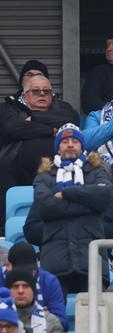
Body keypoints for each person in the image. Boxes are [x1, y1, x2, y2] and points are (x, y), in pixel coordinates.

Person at [23, 123, 113, 295]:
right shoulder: (44, 176)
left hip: (92, 263)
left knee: (97, 319)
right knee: (53, 320)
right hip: (54, 264)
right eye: (65, 141)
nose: (70, 144)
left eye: (75, 141)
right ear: (57, 147)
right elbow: (34, 225)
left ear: (82, 146)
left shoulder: (97, 172)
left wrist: (67, 193)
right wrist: (89, 209)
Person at [0, 75, 79, 231]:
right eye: (36, 91)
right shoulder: (11, 108)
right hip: (15, 169)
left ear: (52, 95)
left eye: (46, 91)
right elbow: (12, 129)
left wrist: (33, 119)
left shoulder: (63, 108)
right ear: (25, 96)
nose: (42, 94)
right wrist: (51, 130)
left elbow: (70, 121)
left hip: (59, 171)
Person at [5, 269, 67, 333]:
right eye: (15, 286)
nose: (20, 291)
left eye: (25, 286)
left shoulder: (51, 322)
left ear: (33, 291)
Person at [0, 243, 66, 331]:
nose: (25, 274)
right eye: (20, 270)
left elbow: (62, 323)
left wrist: (46, 318)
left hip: (41, 332)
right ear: (7, 265)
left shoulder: (49, 281)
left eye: (30, 270)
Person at [0, 59, 50, 145]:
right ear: (22, 81)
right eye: (29, 75)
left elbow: (70, 119)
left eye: (39, 75)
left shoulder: (60, 105)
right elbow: (10, 129)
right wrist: (51, 129)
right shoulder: (4, 108)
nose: (33, 78)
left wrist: (31, 120)